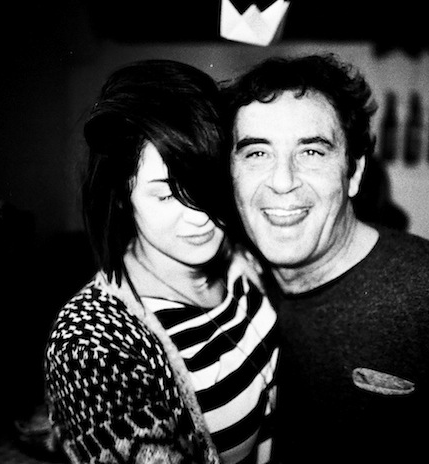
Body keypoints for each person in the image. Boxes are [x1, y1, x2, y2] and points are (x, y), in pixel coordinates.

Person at [220, 53, 429, 462]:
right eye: (257, 154)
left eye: (312, 152)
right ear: (231, 175)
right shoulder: (231, 290)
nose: (282, 181)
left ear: (354, 173)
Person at [44, 59, 279, 464]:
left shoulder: (242, 261)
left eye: (206, 183)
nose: (200, 215)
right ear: (122, 194)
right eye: (166, 194)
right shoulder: (91, 346)